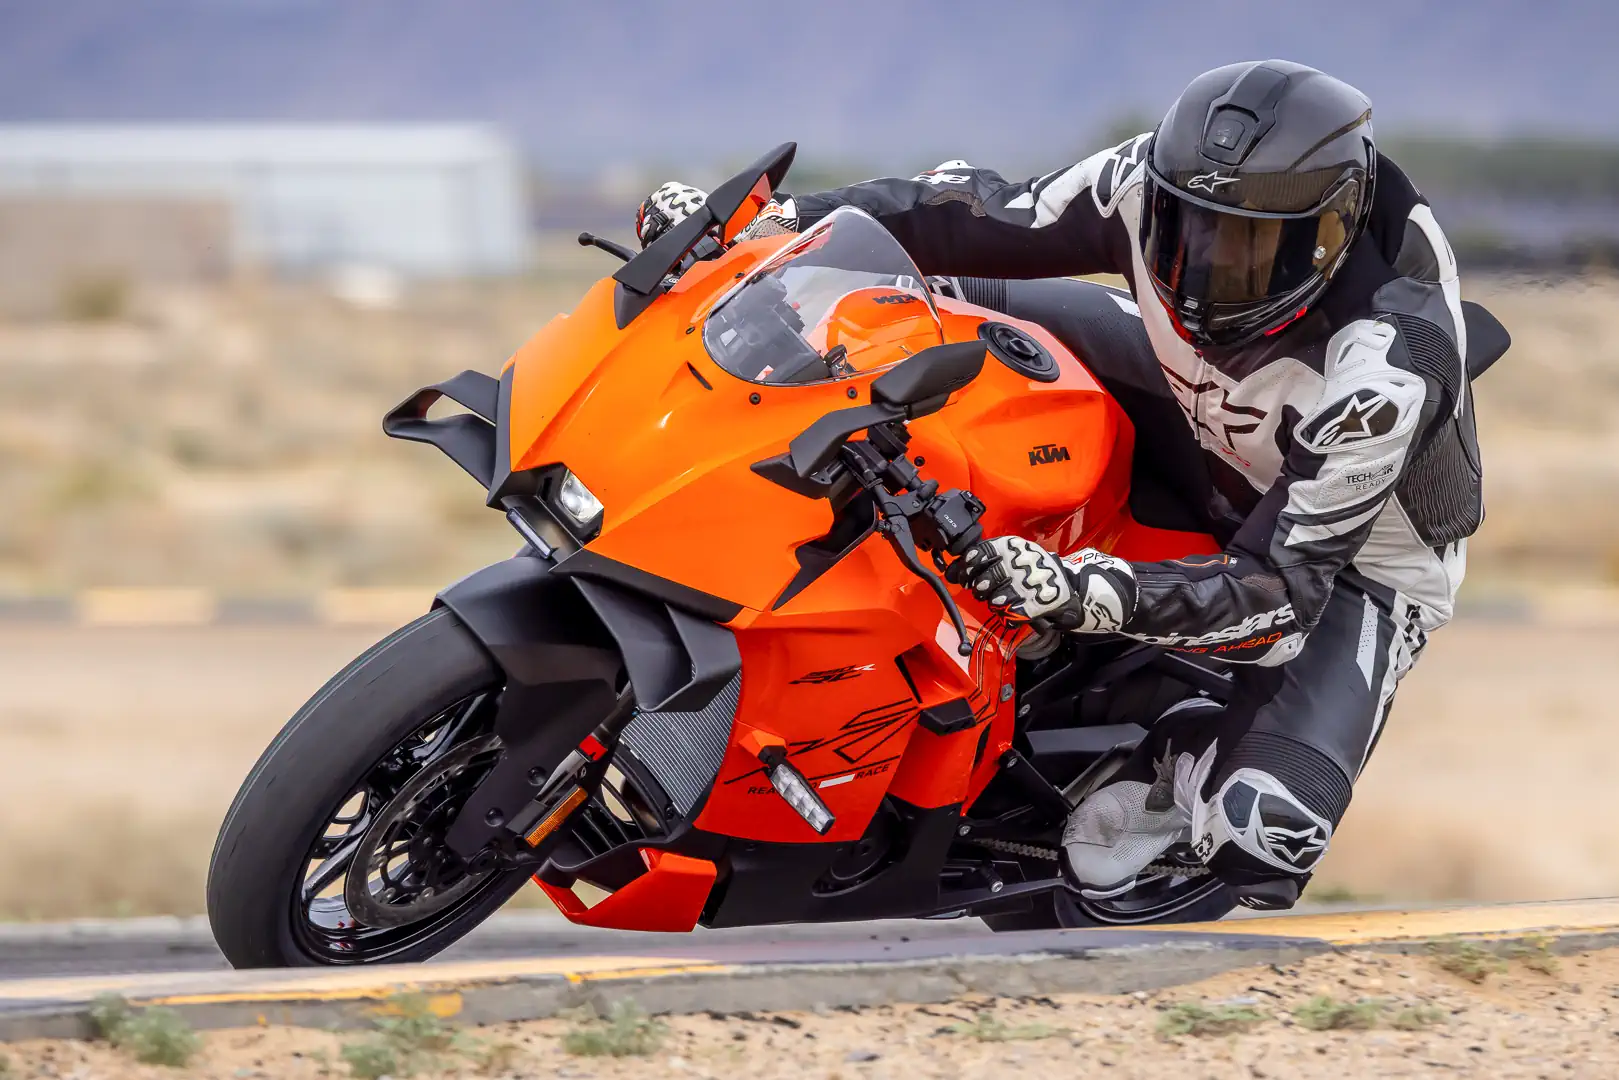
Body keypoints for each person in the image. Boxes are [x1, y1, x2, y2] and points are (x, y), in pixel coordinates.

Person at [634, 60, 1486, 910]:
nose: (1204, 268)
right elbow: (967, 214)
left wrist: (1083, 592)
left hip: (1349, 561)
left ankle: (1175, 769)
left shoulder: (1387, 366)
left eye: (1247, 250)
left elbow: (1276, 597)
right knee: (933, 291)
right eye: (1189, 232)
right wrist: (770, 225)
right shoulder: (1145, 180)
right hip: (1187, 403)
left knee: (1266, 835)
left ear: (1329, 235)